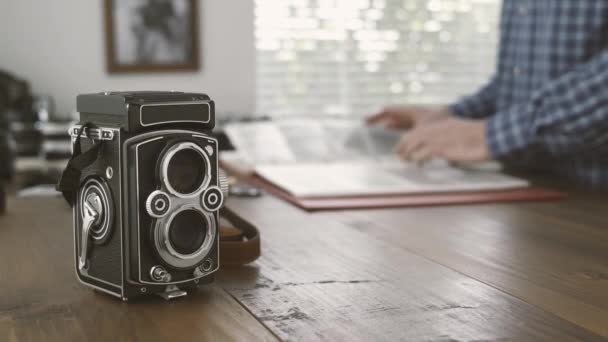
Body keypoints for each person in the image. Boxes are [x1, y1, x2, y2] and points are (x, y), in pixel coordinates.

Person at [368, 1, 608, 189]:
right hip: (530, 195)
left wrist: (488, 136)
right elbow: (518, 81)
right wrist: (452, 116)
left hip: (594, 205)